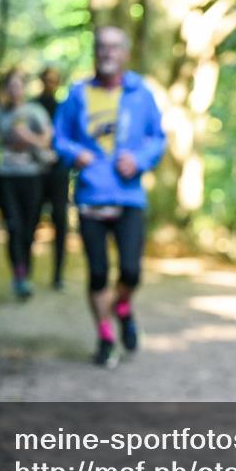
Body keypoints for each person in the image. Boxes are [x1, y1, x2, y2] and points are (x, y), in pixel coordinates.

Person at [53, 26, 165, 368]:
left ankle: (122, 307)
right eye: (102, 47)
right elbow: (60, 138)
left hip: (129, 196)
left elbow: (157, 138)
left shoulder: (140, 93)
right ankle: (104, 336)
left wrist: (141, 160)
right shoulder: (77, 94)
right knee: (98, 273)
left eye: (114, 47)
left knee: (131, 272)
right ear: (95, 52)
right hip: (91, 194)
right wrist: (76, 155)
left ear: (125, 53)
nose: (107, 53)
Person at [0, 68, 54, 300]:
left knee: (29, 229)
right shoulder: (0, 112)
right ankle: (19, 276)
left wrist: (28, 137)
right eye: (11, 85)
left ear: (24, 88)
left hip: (32, 176)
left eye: (18, 85)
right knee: (14, 226)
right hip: (6, 176)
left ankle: (25, 272)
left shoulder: (35, 111)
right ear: (6, 88)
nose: (14, 89)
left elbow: (47, 138)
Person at [35, 66, 70, 291]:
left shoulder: (64, 108)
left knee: (60, 222)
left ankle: (58, 275)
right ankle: (25, 272)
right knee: (30, 222)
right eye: (47, 79)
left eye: (54, 79)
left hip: (59, 172)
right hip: (36, 172)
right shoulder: (33, 106)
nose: (51, 83)